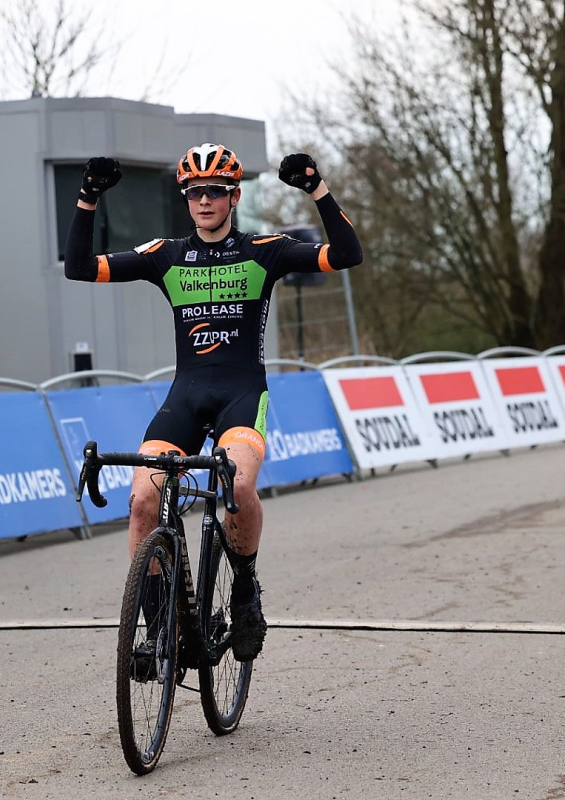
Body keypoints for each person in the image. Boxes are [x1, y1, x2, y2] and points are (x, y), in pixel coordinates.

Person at [64, 144, 363, 662]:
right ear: (187, 199)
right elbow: (79, 268)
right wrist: (89, 197)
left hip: (243, 396)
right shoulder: (167, 255)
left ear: (234, 196)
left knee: (239, 484)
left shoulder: (263, 250)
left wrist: (317, 188)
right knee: (141, 502)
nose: (204, 200)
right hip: (186, 395)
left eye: (215, 192)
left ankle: (245, 590)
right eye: (195, 192)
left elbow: (345, 254)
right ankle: (162, 628)